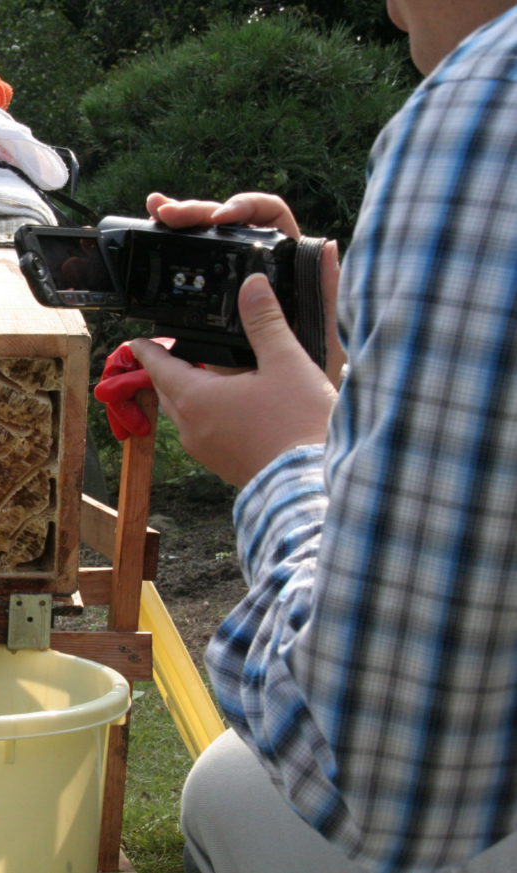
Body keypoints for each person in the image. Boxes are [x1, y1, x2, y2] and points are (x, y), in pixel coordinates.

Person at [96, 2, 517, 871]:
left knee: (235, 794)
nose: (394, 7)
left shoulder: (487, 107)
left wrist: (285, 461)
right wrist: (363, 383)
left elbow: (394, 777)